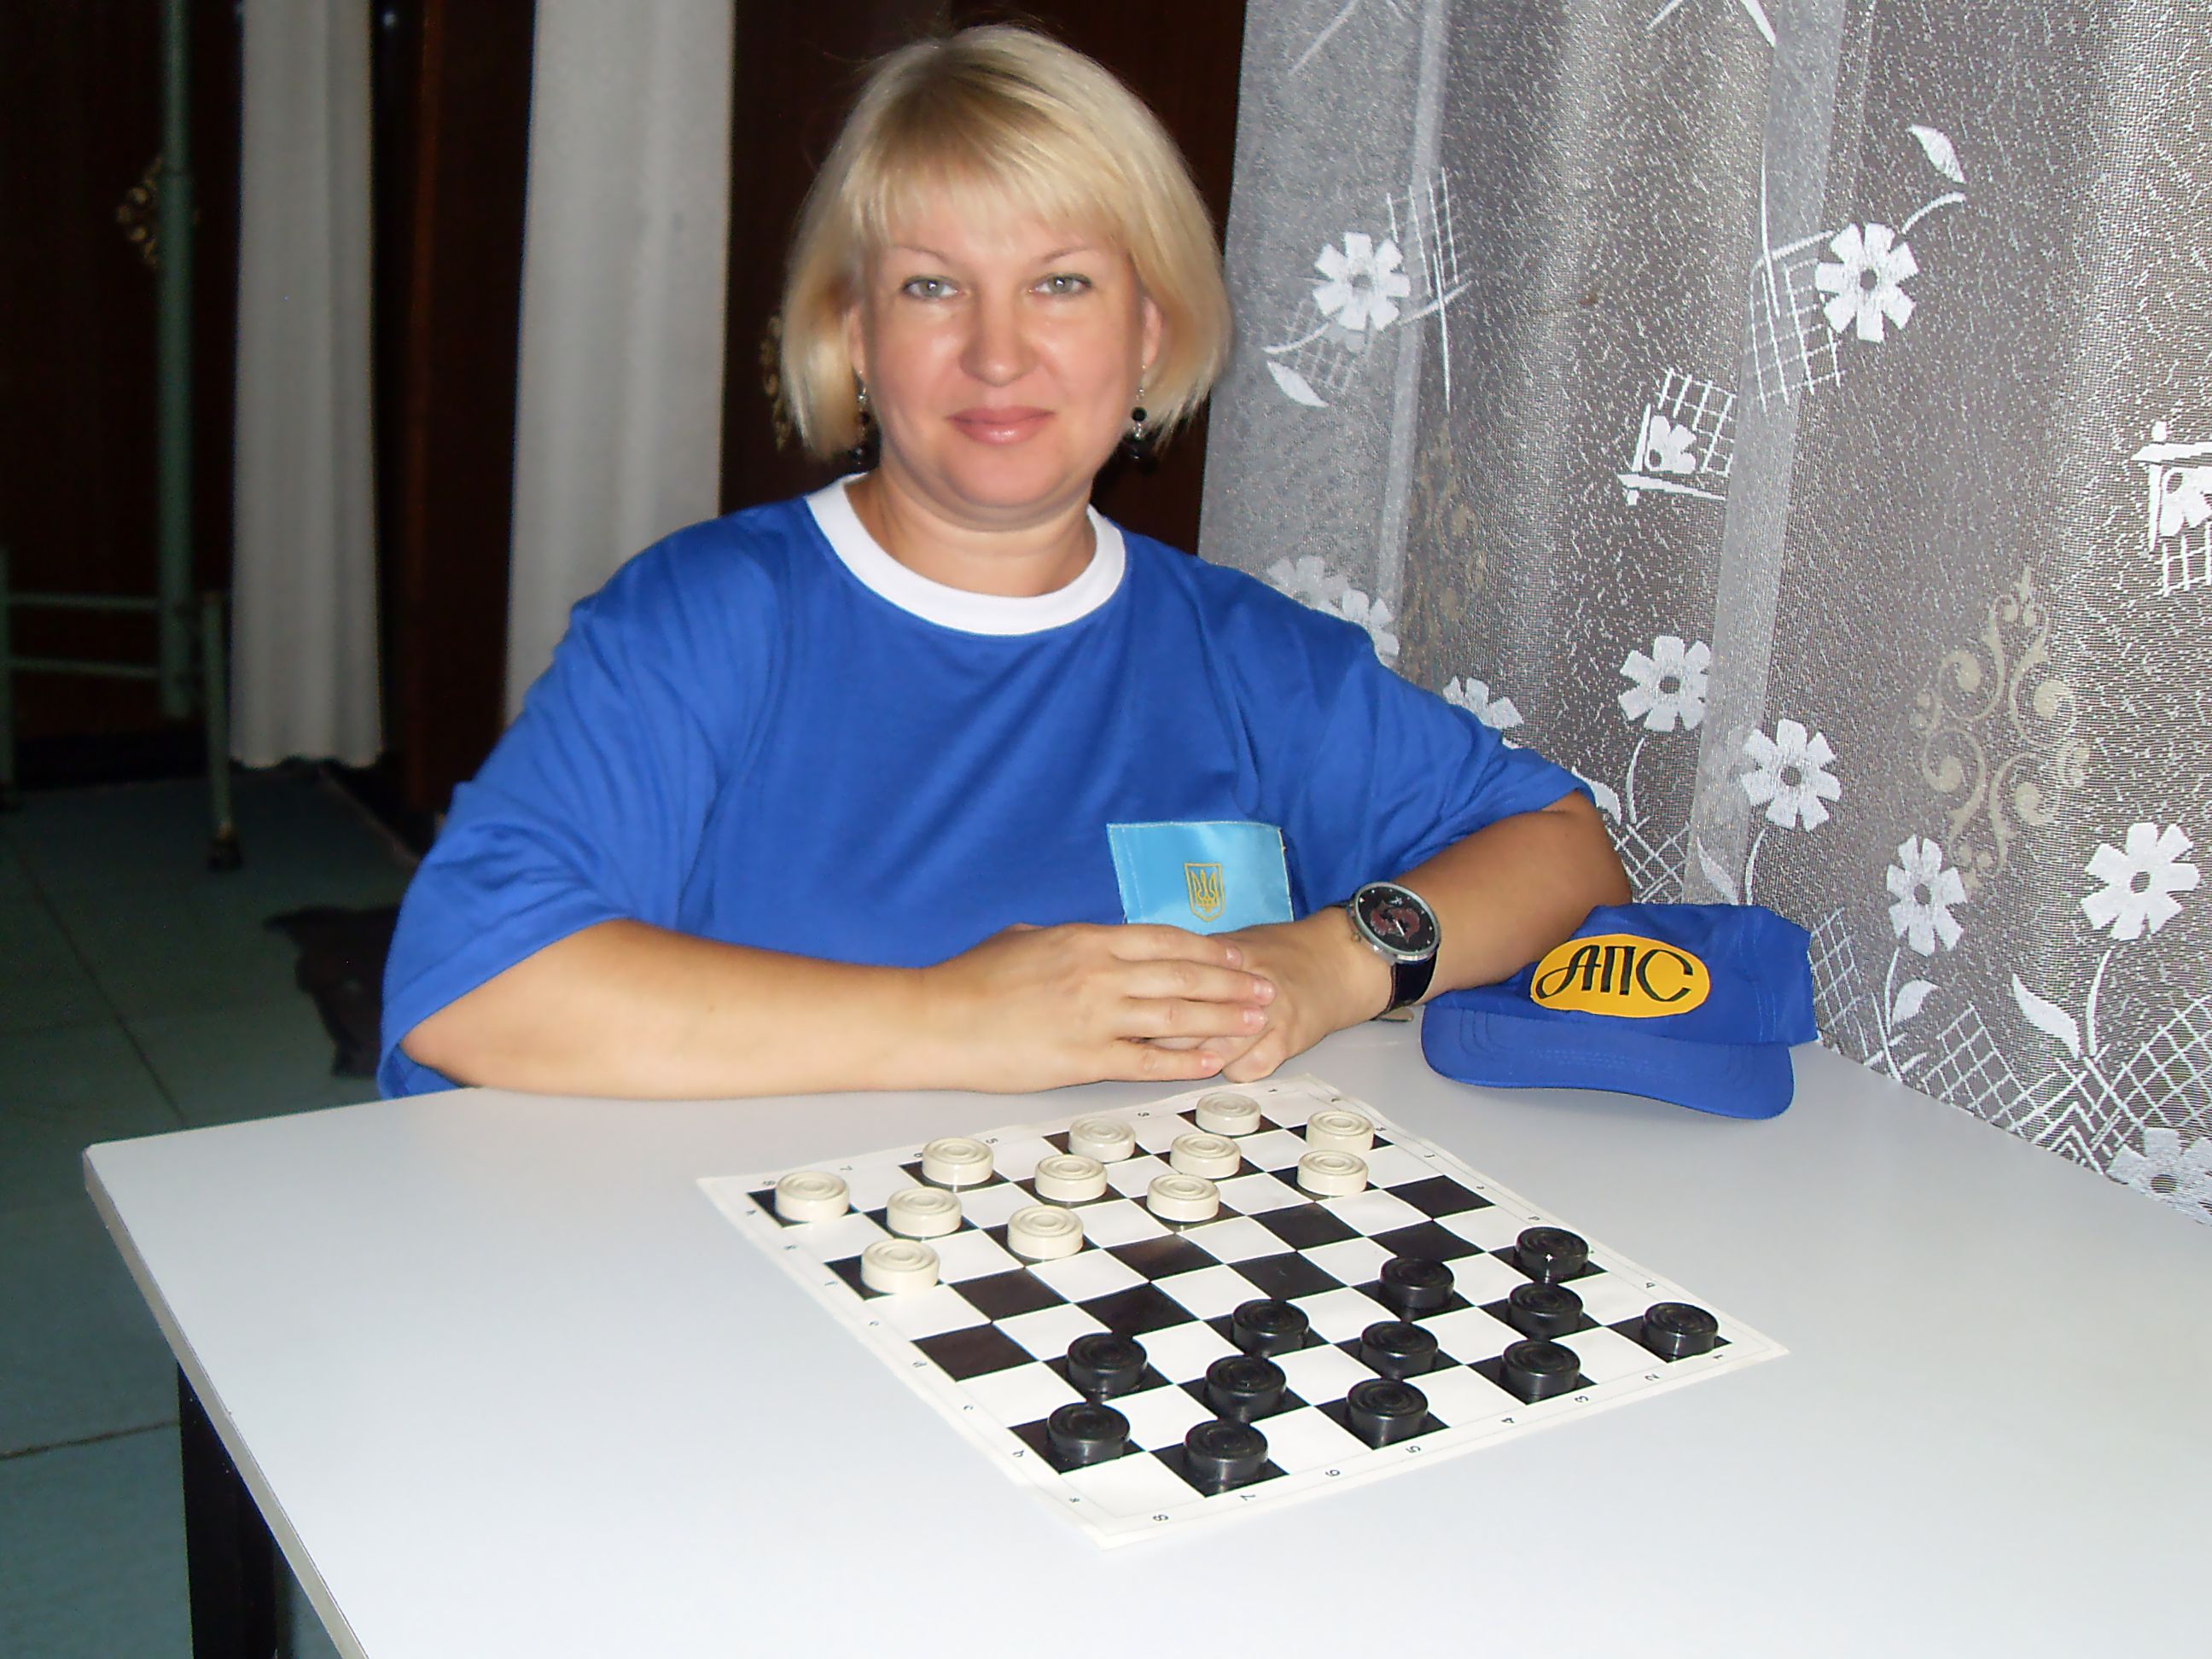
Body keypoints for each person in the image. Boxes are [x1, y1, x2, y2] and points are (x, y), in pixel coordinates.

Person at [379, 26, 1628, 1102]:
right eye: (933, 288)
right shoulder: (705, 622)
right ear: (853, 336)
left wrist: (1335, 963)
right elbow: (471, 988)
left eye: (1061, 284)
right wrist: (962, 1019)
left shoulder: (1247, 653)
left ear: (1150, 337)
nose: (997, 354)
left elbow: (1563, 847)